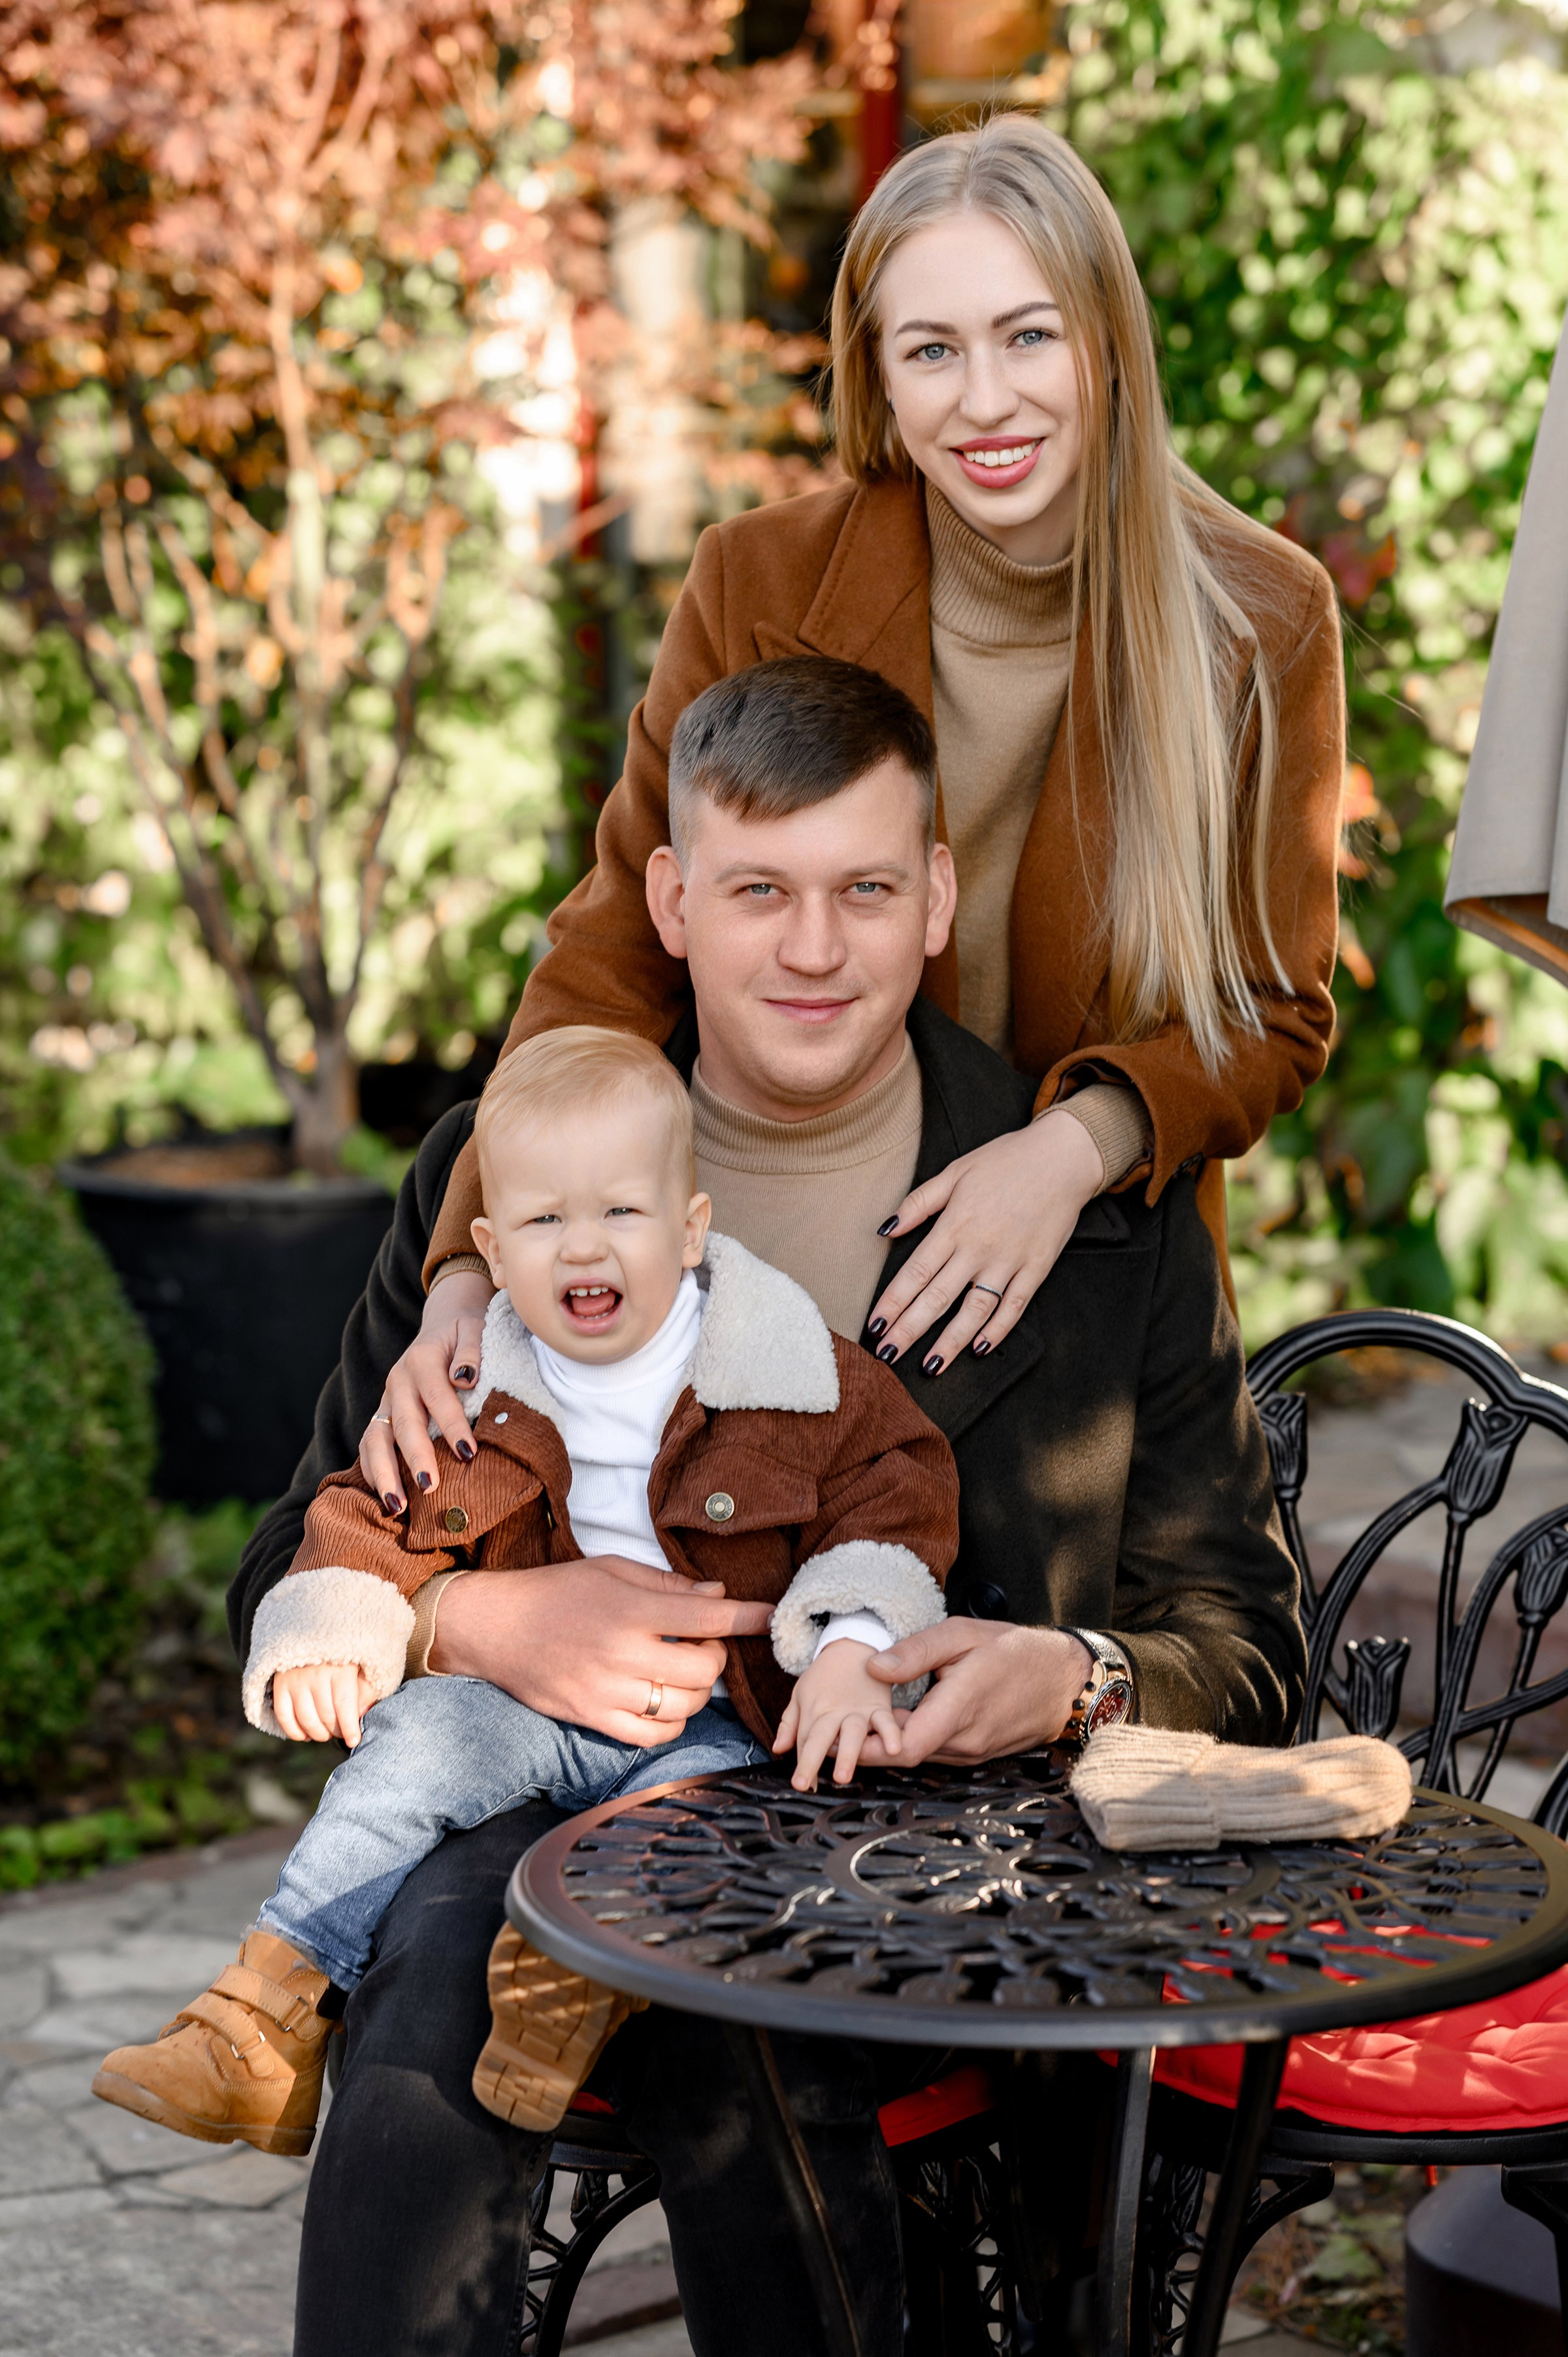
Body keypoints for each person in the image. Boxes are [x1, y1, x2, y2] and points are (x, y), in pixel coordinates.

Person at [233, 655, 1305, 2357]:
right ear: (671, 900)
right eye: (759, 893)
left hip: (948, 1883)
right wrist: (462, 1617)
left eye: (866, 891)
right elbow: (291, 1561)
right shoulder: (494, 1191)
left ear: (938, 898)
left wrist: (1078, 1673)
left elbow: (1249, 1652)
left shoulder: (1102, 1225)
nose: (814, 950)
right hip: (546, 1841)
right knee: (460, 1938)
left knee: (683, 1976)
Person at [361, 112, 1344, 1516]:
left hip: (1073, 1288)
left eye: (1029, 336)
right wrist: (466, 1268)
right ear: (877, 374)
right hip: (760, 1267)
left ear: (1108, 342)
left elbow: (1270, 1007)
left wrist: (1068, 1153)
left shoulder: (1259, 619)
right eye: (930, 350)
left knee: (1029, 1689)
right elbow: (617, 947)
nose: (984, 400)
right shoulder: (758, 579)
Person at [97, 1025, 957, 2158]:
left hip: (720, 1727)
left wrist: (849, 1644)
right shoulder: (474, 1385)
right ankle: (266, 2016)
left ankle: (561, 2004)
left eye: (621, 1214)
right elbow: (364, 1508)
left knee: (691, 1833)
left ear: (692, 1227)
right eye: (547, 1222)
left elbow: (895, 1497)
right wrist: (334, 1624)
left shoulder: (789, 1374)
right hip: (525, 1707)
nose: (584, 1250)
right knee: (407, 1746)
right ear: (493, 1252)